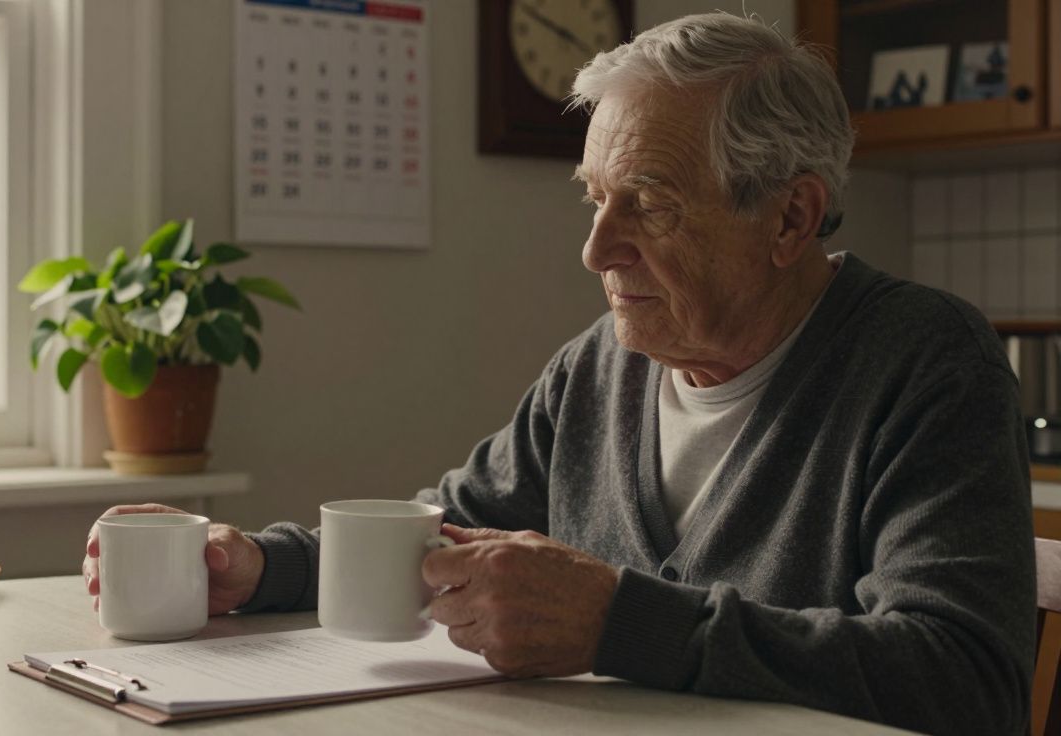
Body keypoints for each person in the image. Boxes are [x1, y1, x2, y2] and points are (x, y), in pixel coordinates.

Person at [83, 13, 1034, 734]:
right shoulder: (598, 369)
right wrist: (257, 565)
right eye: (593, 200)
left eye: (649, 205)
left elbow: (964, 678)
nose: (595, 250)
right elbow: (448, 535)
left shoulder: (926, 362)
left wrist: (623, 620)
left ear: (790, 219)